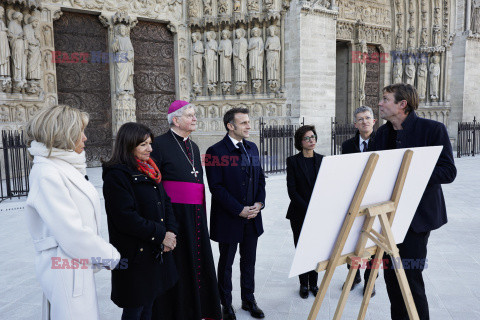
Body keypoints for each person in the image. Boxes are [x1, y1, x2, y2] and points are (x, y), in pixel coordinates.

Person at [24, 104, 120, 320]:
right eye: (80, 132)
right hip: (64, 265)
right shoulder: (47, 172)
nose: (85, 138)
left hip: (75, 262)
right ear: (64, 134)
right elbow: (71, 232)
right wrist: (110, 256)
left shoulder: (63, 166)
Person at [371, 83, 456, 320]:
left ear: (402, 104)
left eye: (385, 99)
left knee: (410, 279)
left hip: (417, 221)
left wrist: (411, 172)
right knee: (391, 278)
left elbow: (448, 172)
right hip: (387, 220)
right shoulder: (382, 134)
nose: (380, 103)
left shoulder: (433, 129)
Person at [150, 100, 222, 320]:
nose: (195, 119)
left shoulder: (194, 145)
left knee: (199, 260)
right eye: (190, 115)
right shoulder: (159, 144)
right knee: (180, 263)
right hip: (175, 216)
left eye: (194, 115)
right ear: (176, 119)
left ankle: (200, 309)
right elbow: (156, 185)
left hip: (197, 215)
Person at [103, 122, 178, 320]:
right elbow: (125, 218)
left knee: (149, 305)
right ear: (129, 145)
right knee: (134, 308)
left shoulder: (150, 170)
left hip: (154, 250)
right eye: (143, 144)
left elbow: (166, 202)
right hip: (136, 253)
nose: (150, 149)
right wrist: (162, 235)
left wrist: (171, 231)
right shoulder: (117, 175)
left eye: (150, 143)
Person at [205, 107, 266, 320]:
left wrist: (259, 203)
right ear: (230, 126)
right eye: (244, 123)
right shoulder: (215, 152)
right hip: (229, 218)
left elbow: (260, 179)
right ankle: (226, 305)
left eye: (249, 122)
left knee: (249, 261)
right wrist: (239, 209)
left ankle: (249, 300)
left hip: (252, 217)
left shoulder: (253, 148)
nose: (249, 126)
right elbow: (216, 187)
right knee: (226, 263)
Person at [341, 106, 378, 296]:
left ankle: (370, 280)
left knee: (374, 241)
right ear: (355, 124)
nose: (364, 121)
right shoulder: (347, 146)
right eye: (360, 119)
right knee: (352, 239)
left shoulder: (383, 142)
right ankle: (353, 275)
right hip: (354, 199)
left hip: (377, 199)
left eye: (367, 118)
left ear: (374, 121)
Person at [286, 125, 323, 299]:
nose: (311, 140)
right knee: (302, 248)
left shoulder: (323, 160)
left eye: (313, 137)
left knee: (315, 249)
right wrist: (308, 208)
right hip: (299, 213)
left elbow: (326, 187)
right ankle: (303, 284)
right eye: (307, 138)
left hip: (318, 213)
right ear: (300, 142)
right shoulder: (293, 161)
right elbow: (292, 190)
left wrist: (318, 209)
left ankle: (314, 283)